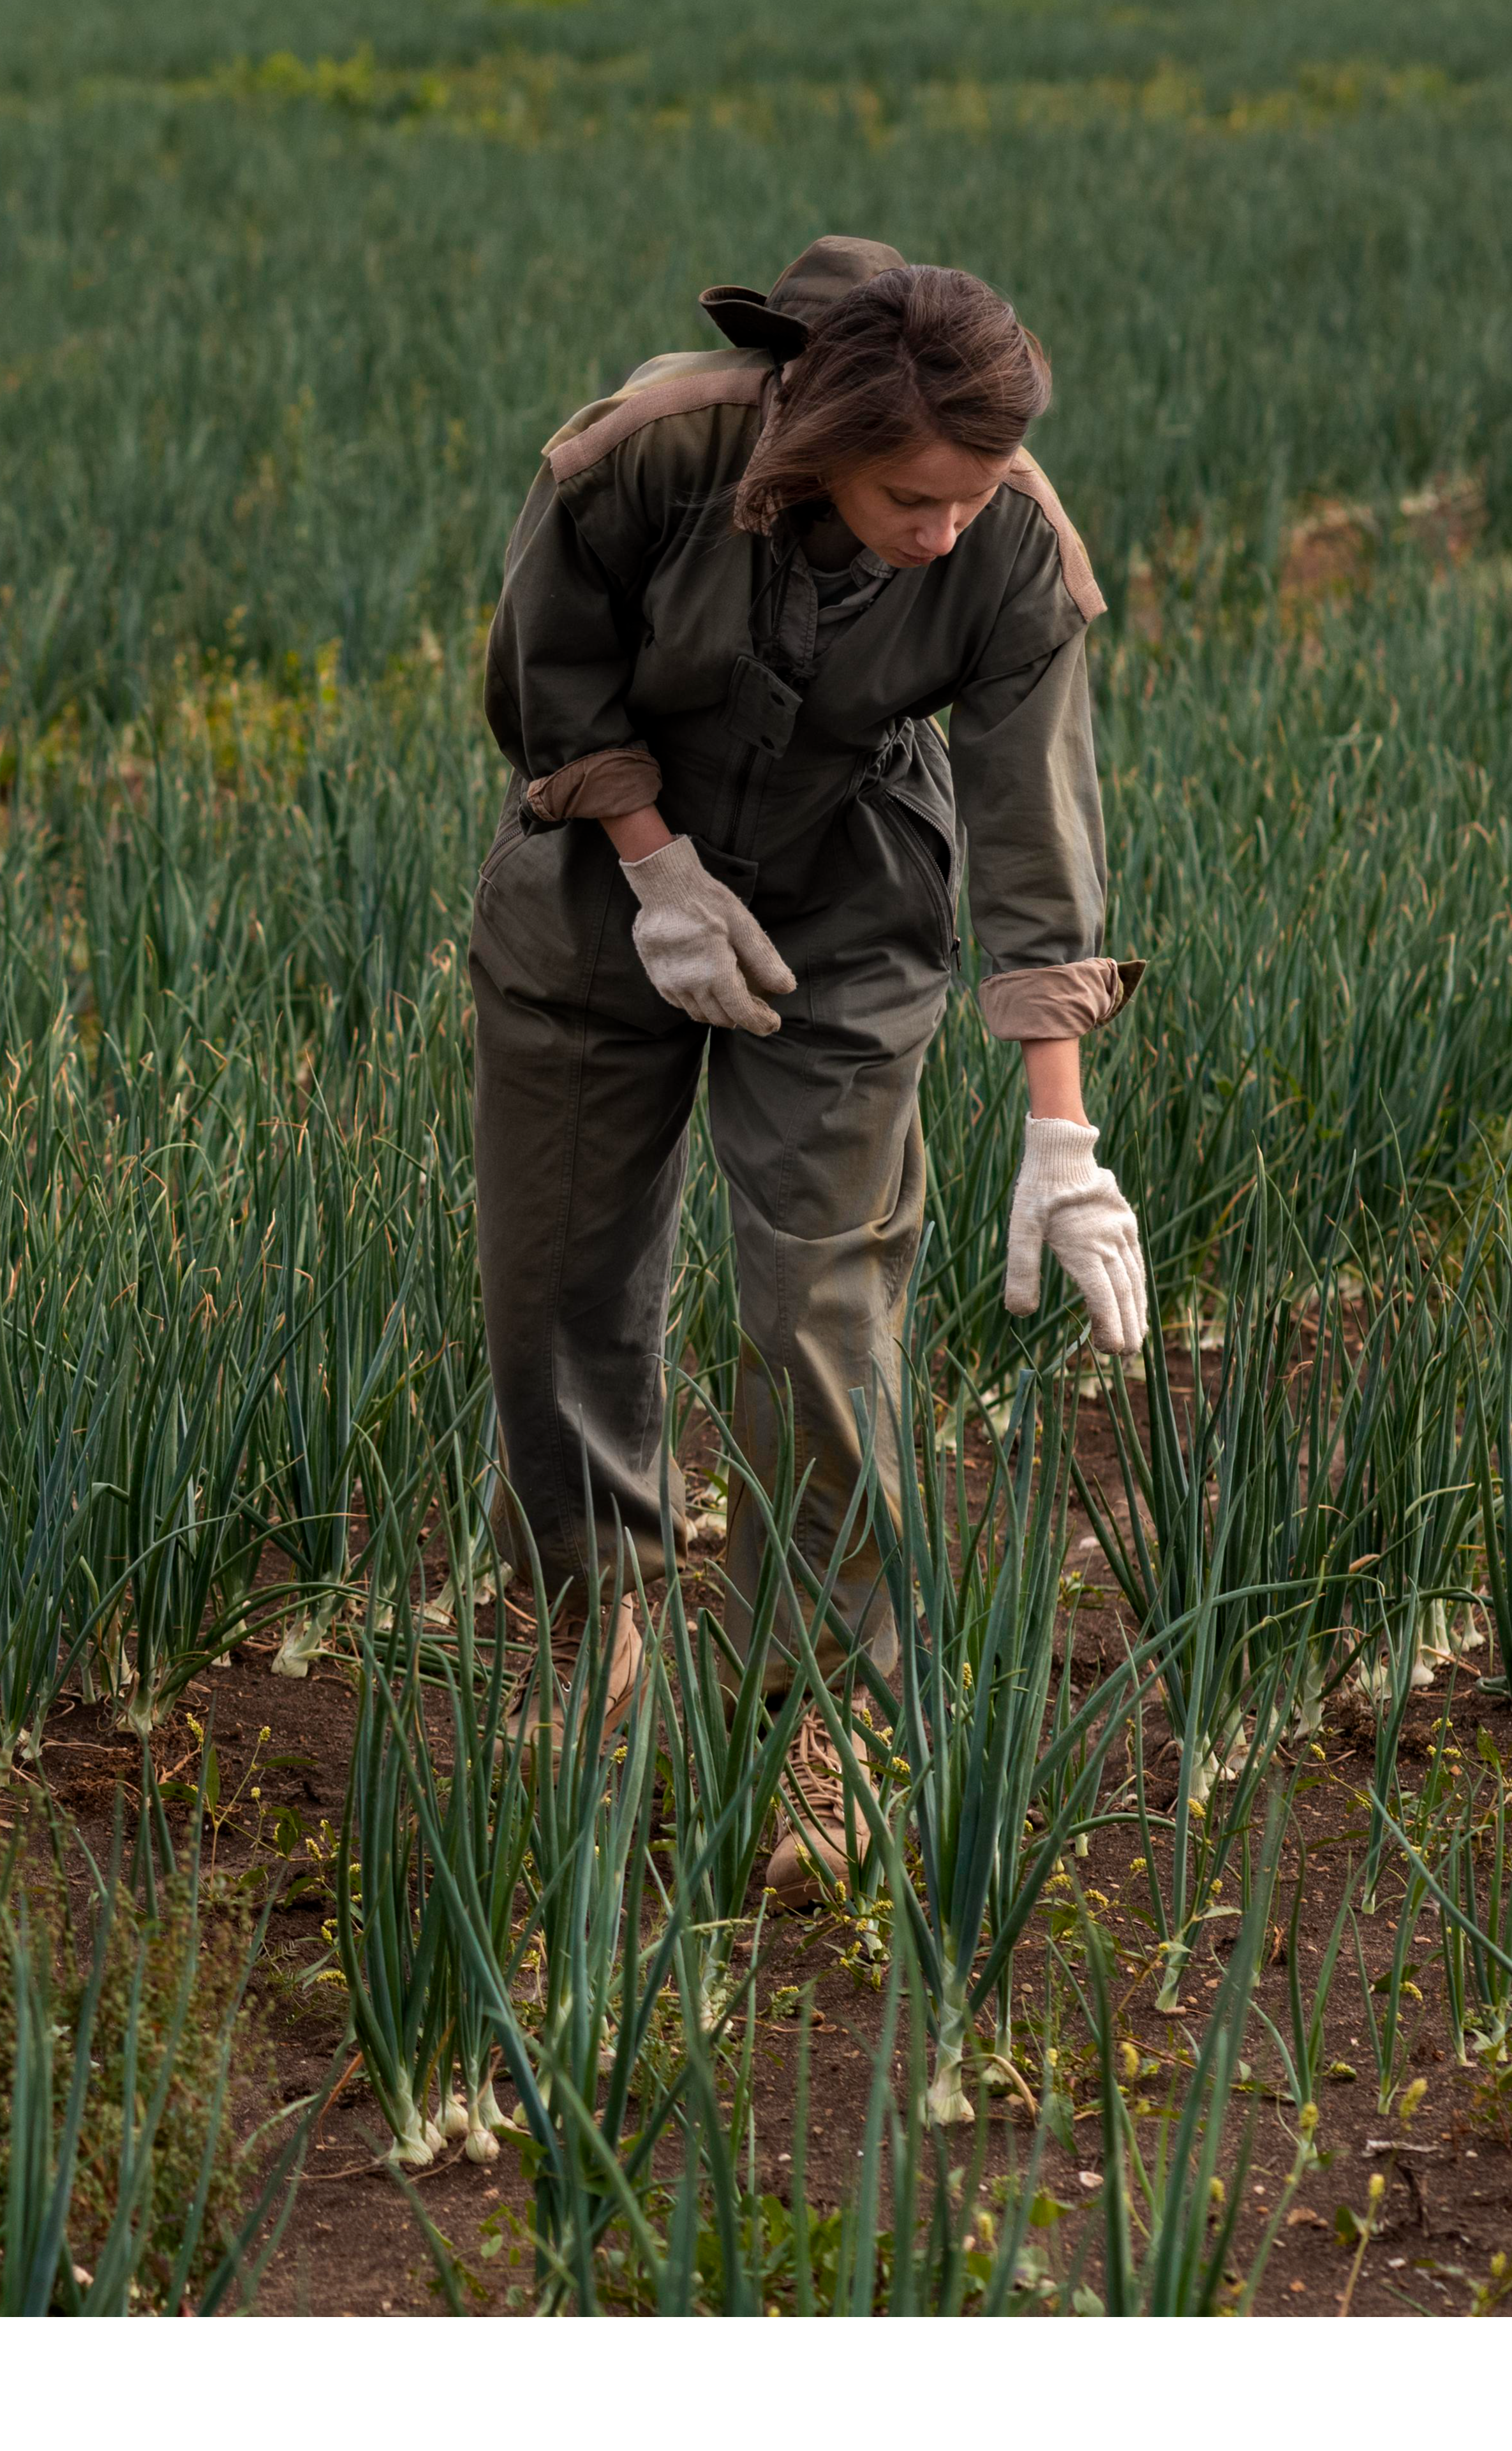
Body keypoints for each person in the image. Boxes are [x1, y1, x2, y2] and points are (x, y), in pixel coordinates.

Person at [471, 237, 1148, 1886]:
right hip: (603, 886)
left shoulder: (1012, 546)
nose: (948, 528)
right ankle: (593, 1632)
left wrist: (1062, 1141)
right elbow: (546, 671)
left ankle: (825, 1717)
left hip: (850, 895)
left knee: (821, 1305)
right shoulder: (651, 457)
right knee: (559, 1279)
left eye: (973, 494)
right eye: (915, 498)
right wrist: (653, 865)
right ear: (828, 444)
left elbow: (1036, 833)